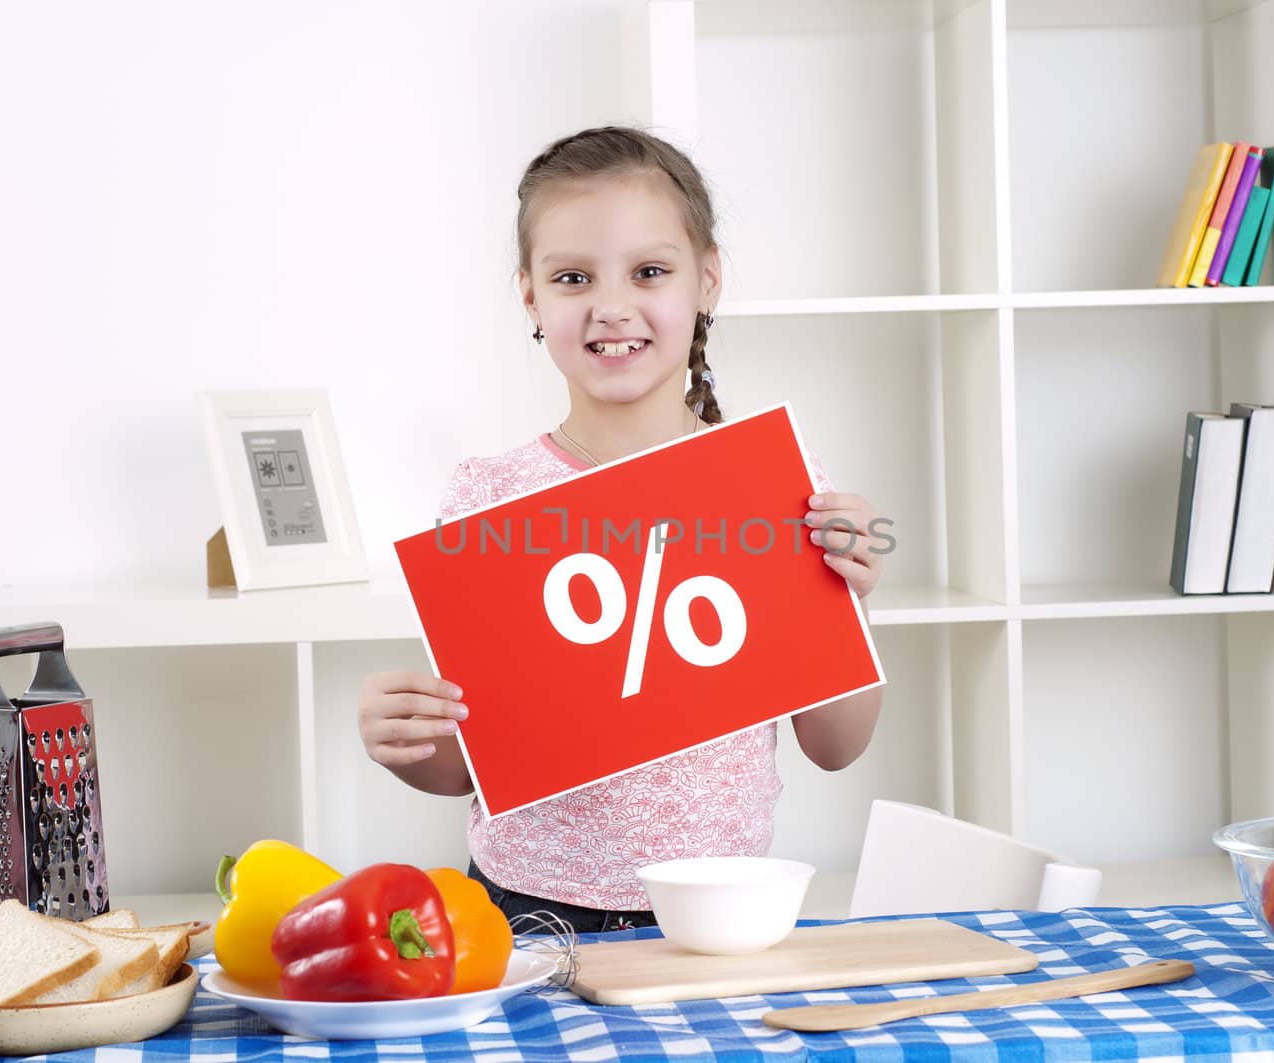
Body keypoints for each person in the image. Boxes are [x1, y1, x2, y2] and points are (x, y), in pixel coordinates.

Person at [358, 125, 887, 933]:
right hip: (524, 907)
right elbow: (472, 760)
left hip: (721, 907)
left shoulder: (770, 482)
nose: (612, 308)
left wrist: (847, 602)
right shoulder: (489, 497)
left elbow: (835, 744)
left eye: (649, 271)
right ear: (532, 296)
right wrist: (408, 738)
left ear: (705, 280)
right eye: (573, 277)